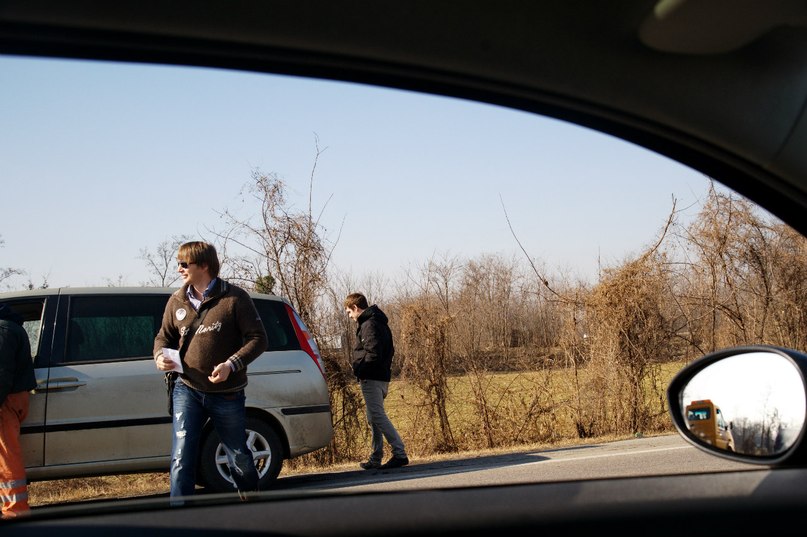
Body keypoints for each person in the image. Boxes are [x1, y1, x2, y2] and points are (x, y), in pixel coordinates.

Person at [154, 241, 268, 500]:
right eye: (179, 264)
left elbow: (259, 339)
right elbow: (164, 337)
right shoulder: (176, 300)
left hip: (227, 392)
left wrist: (231, 364)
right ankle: (180, 515)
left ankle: (252, 504)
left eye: (184, 264)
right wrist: (160, 356)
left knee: (238, 456)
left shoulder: (235, 298)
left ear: (204, 265)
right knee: (181, 456)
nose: (179, 269)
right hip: (186, 389)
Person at [344, 293, 409, 470]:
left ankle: (399, 453)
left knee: (377, 416)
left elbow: (373, 353)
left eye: (349, 312)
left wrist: (361, 370)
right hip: (381, 376)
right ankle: (375, 457)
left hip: (372, 378)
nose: (350, 316)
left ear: (355, 308)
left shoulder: (369, 324)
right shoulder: (378, 321)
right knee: (373, 418)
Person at [0, 304, 36, 519]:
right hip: (12, 397)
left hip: (5, 400)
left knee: (6, 457)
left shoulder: (3, 329)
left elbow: (1, 373)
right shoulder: (10, 326)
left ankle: (16, 510)